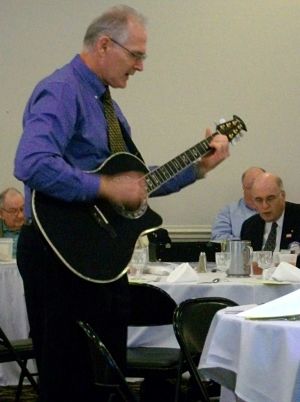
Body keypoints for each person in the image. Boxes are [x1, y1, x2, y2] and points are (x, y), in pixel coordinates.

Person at [14, 5, 229, 402]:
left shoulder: (106, 104)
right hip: (57, 256)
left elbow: (134, 183)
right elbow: (31, 163)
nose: (141, 66)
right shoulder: (63, 90)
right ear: (104, 45)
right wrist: (105, 188)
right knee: (69, 383)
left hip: (98, 260)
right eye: (136, 55)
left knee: (106, 382)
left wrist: (199, 168)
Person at [240, 172, 300, 251]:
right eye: (259, 200)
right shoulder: (249, 226)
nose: (265, 206)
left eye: (270, 198)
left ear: (283, 196)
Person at [211, 166, 265, 240]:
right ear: (243, 187)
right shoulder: (228, 212)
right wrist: (246, 241)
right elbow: (217, 238)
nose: (255, 192)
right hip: (241, 251)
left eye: (260, 187)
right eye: (250, 187)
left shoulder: (278, 210)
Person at [0, 187, 25, 258]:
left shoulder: (35, 228)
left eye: (22, 209)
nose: (20, 215)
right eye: (13, 211)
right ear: (1, 213)